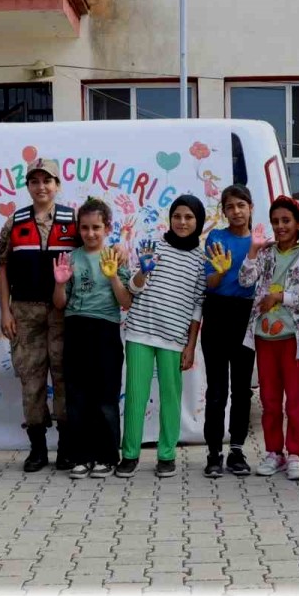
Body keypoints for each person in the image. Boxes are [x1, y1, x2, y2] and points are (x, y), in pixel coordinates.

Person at [117, 195, 208, 478]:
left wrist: (190, 347)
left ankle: (166, 455)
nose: (182, 222)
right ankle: (129, 455)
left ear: (198, 222)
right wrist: (142, 273)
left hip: (174, 338)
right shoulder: (153, 247)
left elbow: (197, 307)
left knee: (171, 397)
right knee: (135, 396)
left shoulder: (201, 260)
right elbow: (133, 288)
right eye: (177, 216)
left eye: (189, 217)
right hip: (140, 333)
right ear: (170, 219)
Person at [0, 158, 79, 472]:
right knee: (31, 379)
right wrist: (5, 311)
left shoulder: (73, 221)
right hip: (25, 311)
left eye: (48, 180)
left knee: (63, 377)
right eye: (35, 181)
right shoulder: (15, 222)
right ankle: (37, 449)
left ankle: (66, 448)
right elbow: (2, 268)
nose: (41, 186)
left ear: (57, 185)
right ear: (28, 186)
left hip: (63, 312)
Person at [238, 197, 299, 482]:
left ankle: (295, 453)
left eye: (286, 221)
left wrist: (280, 297)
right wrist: (252, 250)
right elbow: (245, 280)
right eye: (276, 221)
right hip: (264, 336)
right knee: (270, 400)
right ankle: (274, 452)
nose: (281, 226)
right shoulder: (264, 254)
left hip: (295, 339)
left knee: (295, 400)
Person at [53, 198, 132, 480]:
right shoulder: (72, 258)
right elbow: (60, 304)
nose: (90, 233)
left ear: (107, 227)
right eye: (85, 228)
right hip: (76, 329)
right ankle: (80, 456)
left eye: (96, 227)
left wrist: (113, 278)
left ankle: (107, 456)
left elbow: (126, 302)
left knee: (105, 397)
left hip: (106, 331)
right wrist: (60, 283)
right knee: (77, 396)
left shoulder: (115, 256)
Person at [201, 185, 258, 477]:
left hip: (245, 316)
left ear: (250, 207)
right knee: (217, 390)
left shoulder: (259, 241)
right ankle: (214, 453)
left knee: (242, 390)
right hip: (217, 312)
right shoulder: (216, 237)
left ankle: (236, 450)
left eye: (241, 205)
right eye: (230, 207)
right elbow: (209, 284)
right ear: (223, 211)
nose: (236, 211)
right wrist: (221, 272)